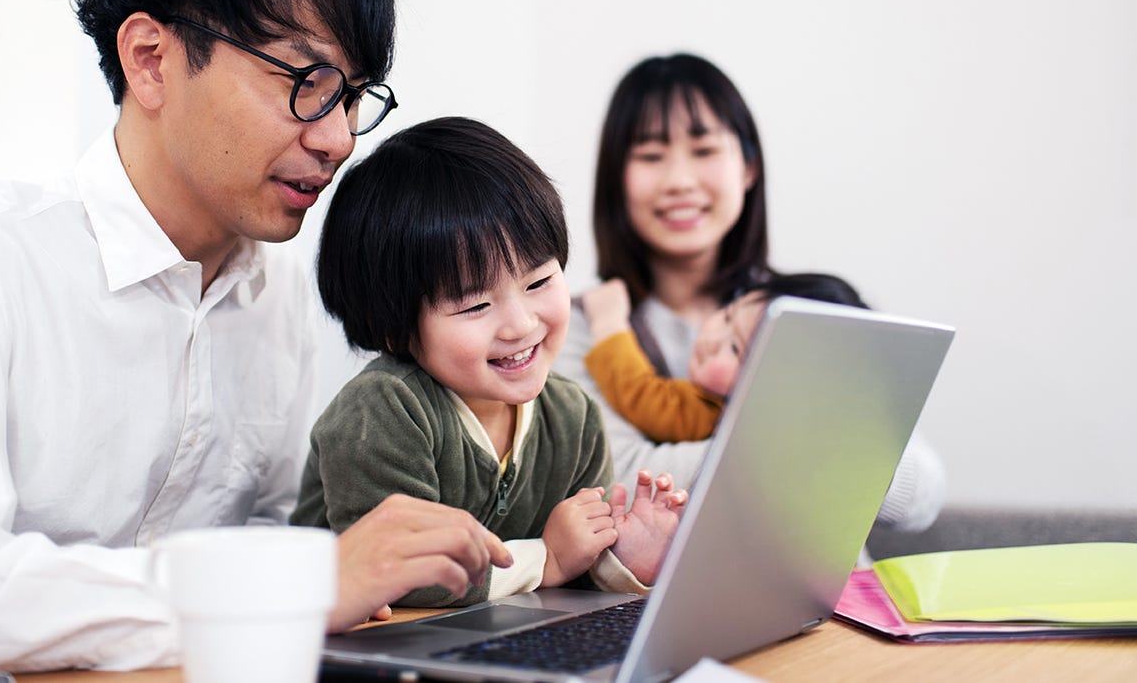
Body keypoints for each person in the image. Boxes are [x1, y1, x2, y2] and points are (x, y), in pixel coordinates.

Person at [0, 0, 512, 679]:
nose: (335, 138)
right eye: (306, 81)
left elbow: (278, 532)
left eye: (355, 95)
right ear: (151, 59)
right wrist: (286, 586)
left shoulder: (278, 296)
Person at [293, 117, 687, 605]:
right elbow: (397, 570)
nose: (520, 325)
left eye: (539, 282)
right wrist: (547, 558)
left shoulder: (574, 418)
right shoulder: (383, 410)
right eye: (475, 306)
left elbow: (572, 574)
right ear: (395, 328)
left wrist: (625, 556)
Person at [553, 53, 945, 532]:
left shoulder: (811, 313)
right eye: (650, 156)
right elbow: (616, 479)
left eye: (704, 151)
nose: (679, 180)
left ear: (748, 169)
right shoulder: (578, 326)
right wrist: (821, 453)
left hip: (837, 602)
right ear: (617, 182)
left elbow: (919, 494)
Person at [583, 271, 868, 443]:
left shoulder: (715, 413)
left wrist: (609, 325)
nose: (712, 339)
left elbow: (641, 394)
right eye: (728, 315)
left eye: (735, 349)